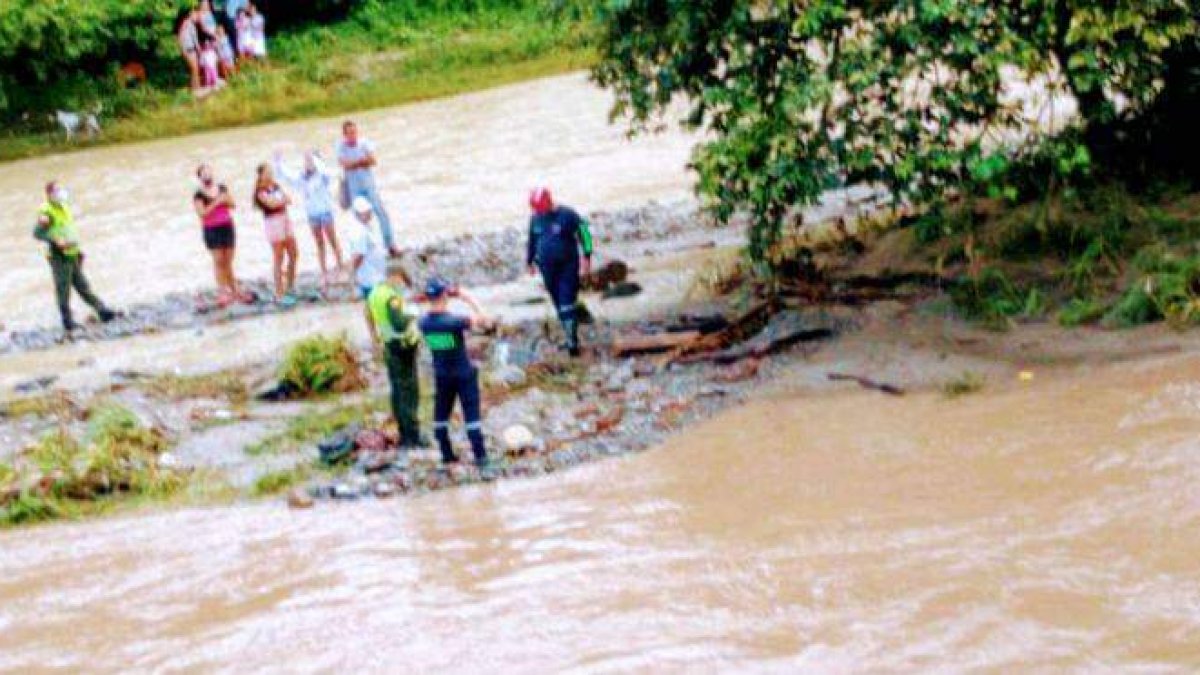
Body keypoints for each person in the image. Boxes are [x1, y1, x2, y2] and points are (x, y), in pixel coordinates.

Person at [418, 277, 497, 475]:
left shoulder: (423, 323)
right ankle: (482, 459)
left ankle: (446, 455)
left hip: (442, 374)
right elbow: (486, 321)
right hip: (463, 373)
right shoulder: (454, 321)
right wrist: (467, 298)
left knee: (441, 415)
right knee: (471, 416)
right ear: (445, 295)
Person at [33, 182, 118, 332]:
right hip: (59, 256)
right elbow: (37, 233)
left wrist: (78, 251)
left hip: (72, 253)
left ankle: (102, 311)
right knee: (63, 288)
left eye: (61, 190)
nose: (61, 193)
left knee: (83, 285)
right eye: (57, 191)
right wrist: (55, 240)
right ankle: (67, 321)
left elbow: (68, 230)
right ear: (49, 195)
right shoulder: (46, 212)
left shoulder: (64, 207)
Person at [526, 187, 594, 356]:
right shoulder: (535, 219)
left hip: (567, 265)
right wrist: (529, 261)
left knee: (566, 302)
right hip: (546, 268)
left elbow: (584, 232)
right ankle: (570, 332)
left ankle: (572, 344)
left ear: (549, 202)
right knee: (558, 302)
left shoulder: (567, 215)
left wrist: (587, 256)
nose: (540, 212)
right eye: (537, 209)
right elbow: (532, 240)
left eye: (541, 208)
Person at [368, 261, 424, 449]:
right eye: (401, 280)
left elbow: (368, 315)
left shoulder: (375, 293)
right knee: (409, 391)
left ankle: (402, 432)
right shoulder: (391, 297)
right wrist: (412, 314)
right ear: (395, 276)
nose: (401, 284)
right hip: (404, 347)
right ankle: (412, 436)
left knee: (397, 391)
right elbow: (399, 323)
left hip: (389, 346)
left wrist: (374, 339)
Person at [274, 150, 344, 290]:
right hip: (312, 215)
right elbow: (286, 176)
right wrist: (278, 162)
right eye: (306, 161)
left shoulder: (323, 176)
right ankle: (324, 272)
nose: (307, 164)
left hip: (325, 212)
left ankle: (340, 267)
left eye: (310, 161)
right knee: (319, 243)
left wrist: (316, 162)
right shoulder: (301, 178)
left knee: (332, 240)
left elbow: (335, 173)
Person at [336, 120, 400, 256]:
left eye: (354, 132)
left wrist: (357, 163)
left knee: (381, 213)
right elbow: (344, 164)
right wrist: (361, 161)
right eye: (350, 133)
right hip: (354, 188)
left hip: (369, 185)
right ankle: (364, 250)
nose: (353, 135)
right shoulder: (341, 147)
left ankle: (390, 245)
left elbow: (373, 161)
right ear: (345, 135)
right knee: (359, 219)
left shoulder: (364, 143)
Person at [193, 164, 250, 307]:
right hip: (212, 229)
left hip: (227, 226)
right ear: (200, 177)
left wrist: (226, 200)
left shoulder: (222, 188)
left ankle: (234, 289)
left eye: (209, 172)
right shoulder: (199, 195)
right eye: (204, 174)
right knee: (218, 260)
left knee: (228, 260)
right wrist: (216, 202)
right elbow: (202, 213)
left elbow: (232, 204)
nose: (207, 175)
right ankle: (222, 291)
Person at [252, 163, 299, 306]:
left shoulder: (275, 186)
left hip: (285, 218)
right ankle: (279, 291)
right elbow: (271, 204)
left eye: (271, 171)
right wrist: (281, 201)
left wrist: (281, 201)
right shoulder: (260, 191)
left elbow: (287, 199)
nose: (270, 174)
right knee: (279, 256)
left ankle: (290, 285)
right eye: (267, 172)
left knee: (293, 252)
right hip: (273, 222)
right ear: (261, 175)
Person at [175, 8, 201, 93]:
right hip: (188, 49)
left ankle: (196, 87)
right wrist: (183, 50)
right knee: (194, 69)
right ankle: (195, 89)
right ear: (191, 14)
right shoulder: (187, 23)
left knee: (195, 69)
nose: (198, 17)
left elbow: (192, 39)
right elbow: (181, 37)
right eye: (197, 15)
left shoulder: (188, 24)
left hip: (190, 49)